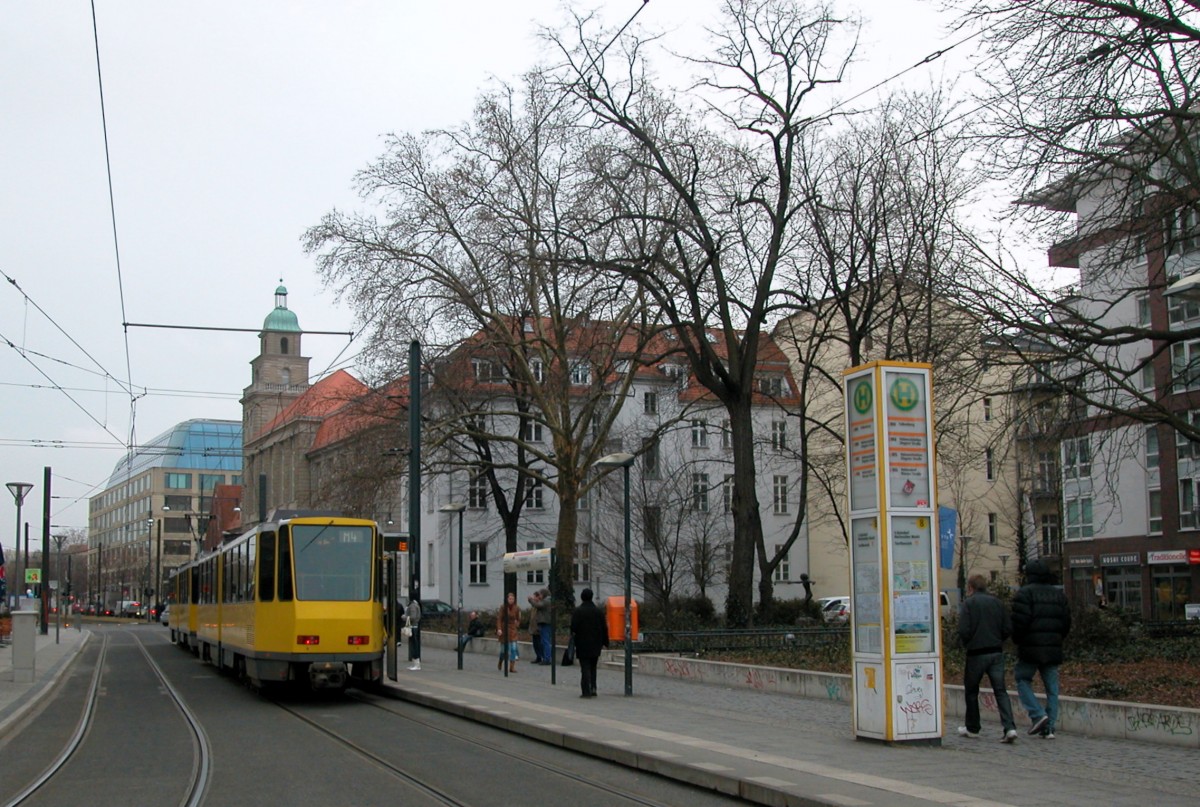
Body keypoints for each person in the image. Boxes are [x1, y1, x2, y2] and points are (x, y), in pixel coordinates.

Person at [1012, 559, 1072, 739]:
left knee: (1022, 679)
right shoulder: (1058, 595)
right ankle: (1050, 728)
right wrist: (1057, 639)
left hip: (1030, 648)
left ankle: (1038, 715)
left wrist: (1018, 640)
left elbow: (1019, 623)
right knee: (1052, 688)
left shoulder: (1024, 594)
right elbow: (1066, 622)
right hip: (1053, 648)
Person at [956, 573, 1018, 743]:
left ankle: (973, 727)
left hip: (976, 653)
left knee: (971, 690)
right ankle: (1010, 727)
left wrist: (968, 643)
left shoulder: (968, 604)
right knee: (1000, 691)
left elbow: (963, 630)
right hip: (996, 652)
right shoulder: (997, 603)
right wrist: (998, 641)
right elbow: (1007, 627)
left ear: (970, 588)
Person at [569, 588, 608, 698]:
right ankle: (593, 687)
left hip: (582, 643)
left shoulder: (578, 611)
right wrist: (605, 642)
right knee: (593, 666)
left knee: (585, 666)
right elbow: (604, 628)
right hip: (596, 643)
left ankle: (586, 690)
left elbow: (573, 628)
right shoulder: (598, 611)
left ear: (582, 597)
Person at [497, 592, 520, 673]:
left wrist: (517, 623)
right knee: (503, 650)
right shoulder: (503, 607)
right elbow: (499, 618)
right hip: (504, 629)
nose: (511, 600)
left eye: (512, 599)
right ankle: (500, 661)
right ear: (507, 599)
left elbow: (518, 618)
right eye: (510, 599)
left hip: (513, 629)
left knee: (513, 649)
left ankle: (512, 667)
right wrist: (499, 629)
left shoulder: (516, 608)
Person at [529, 588, 552, 665]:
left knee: (545, 642)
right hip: (543, 623)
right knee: (543, 641)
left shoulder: (546, 601)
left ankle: (547, 659)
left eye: (540, 594)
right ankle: (544, 658)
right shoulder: (546, 600)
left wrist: (531, 600)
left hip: (545, 623)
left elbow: (538, 605)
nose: (539, 596)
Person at [526, 591, 545, 664]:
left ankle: (542, 657)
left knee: (540, 643)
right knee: (535, 644)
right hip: (533, 628)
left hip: (538, 628)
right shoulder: (534, 607)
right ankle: (538, 657)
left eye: (535, 597)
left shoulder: (540, 605)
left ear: (538, 597)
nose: (534, 598)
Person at [405, 597, 421, 671]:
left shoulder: (412, 606)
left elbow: (413, 617)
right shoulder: (415, 605)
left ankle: (416, 664)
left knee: (414, 645)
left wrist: (404, 617)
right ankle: (415, 663)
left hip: (413, 627)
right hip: (415, 626)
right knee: (414, 644)